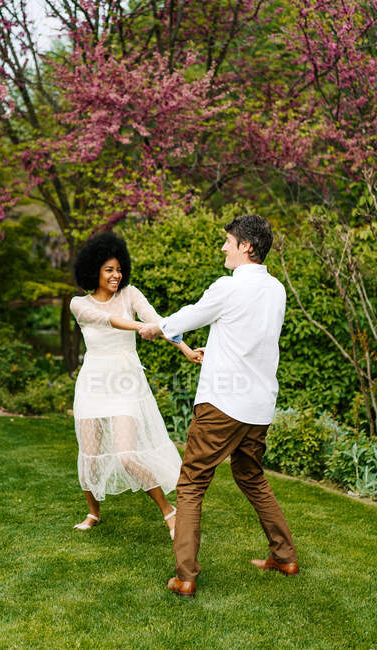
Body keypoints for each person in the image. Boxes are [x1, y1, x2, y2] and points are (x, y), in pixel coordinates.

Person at [139, 214, 299, 598]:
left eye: (228, 240)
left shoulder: (227, 287)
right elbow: (252, 340)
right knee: (251, 476)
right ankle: (285, 556)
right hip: (258, 406)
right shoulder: (276, 290)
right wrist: (216, 350)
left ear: (246, 246)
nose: (224, 247)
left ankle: (185, 577)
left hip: (223, 405)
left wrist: (154, 327)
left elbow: (185, 318)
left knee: (191, 484)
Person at [70, 232, 202, 540]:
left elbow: (159, 320)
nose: (116, 275)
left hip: (126, 381)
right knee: (89, 455)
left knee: (127, 455)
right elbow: (107, 321)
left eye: (118, 269)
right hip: (94, 383)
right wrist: (144, 328)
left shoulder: (130, 294)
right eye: (108, 270)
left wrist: (184, 347)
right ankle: (93, 513)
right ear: (94, 271)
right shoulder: (80, 304)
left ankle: (169, 511)